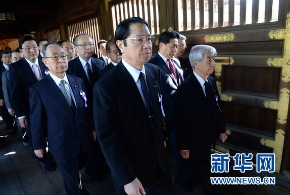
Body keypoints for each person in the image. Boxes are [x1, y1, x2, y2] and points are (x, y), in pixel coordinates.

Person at [93, 17, 174, 195]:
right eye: (139, 40)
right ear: (121, 45)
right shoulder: (107, 85)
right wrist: (127, 178)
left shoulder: (155, 72)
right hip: (131, 170)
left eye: (148, 39)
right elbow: (108, 138)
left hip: (159, 163)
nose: (146, 45)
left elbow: (160, 110)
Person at [30, 42, 93, 195]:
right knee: (70, 178)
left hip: (82, 137)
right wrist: (38, 145)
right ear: (45, 61)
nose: (61, 60)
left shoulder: (77, 81)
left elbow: (86, 108)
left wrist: (91, 128)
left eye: (63, 56)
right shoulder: (39, 89)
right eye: (55, 57)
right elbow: (36, 120)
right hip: (60, 142)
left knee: (76, 170)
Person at [174, 45, 228, 195]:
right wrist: (184, 145)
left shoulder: (210, 82)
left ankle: (187, 179)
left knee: (200, 162)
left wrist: (221, 129)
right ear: (196, 63)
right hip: (193, 137)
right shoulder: (185, 88)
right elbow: (181, 120)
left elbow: (217, 107)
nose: (213, 62)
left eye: (213, 59)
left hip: (207, 134)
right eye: (209, 59)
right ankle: (203, 188)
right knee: (197, 164)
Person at [9, 36, 55, 171]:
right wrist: (21, 115)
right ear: (21, 51)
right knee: (36, 138)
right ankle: (47, 160)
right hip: (30, 110)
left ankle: (55, 155)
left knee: (52, 133)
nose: (32, 51)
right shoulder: (15, 68)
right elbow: (15, 94)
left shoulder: (45, 62)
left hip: (49, 107)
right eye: (27, 48)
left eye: (34, 47)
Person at [67, 33, 107, 181]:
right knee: (89, 143)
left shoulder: (100, 63)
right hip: (83, 112)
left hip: (101, 109)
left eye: (90, 44)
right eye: (84, 45)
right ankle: (92, 169)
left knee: (103, 139)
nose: (88, 47)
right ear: (76, 48)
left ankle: (102, 164)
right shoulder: (70, 67)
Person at [2, 50, 23, 135]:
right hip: (15, 102)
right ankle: (23, 136)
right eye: (15, 58)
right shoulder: (6, 74)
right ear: (11, 59)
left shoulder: (27, 71)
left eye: (20, 58)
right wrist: (9, 106)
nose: (18, 60)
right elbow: (5, 90)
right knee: (20, 123)